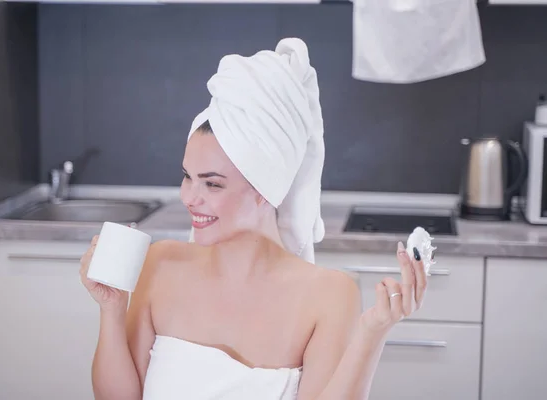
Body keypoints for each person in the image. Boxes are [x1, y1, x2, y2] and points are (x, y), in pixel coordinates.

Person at [80, 38, 428, 400]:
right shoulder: (160, 263)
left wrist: (372, 334)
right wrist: (112, 309)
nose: (189, 197)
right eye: (187, 177)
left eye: (212, 184)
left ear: (266, 186)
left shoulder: (328, 294)